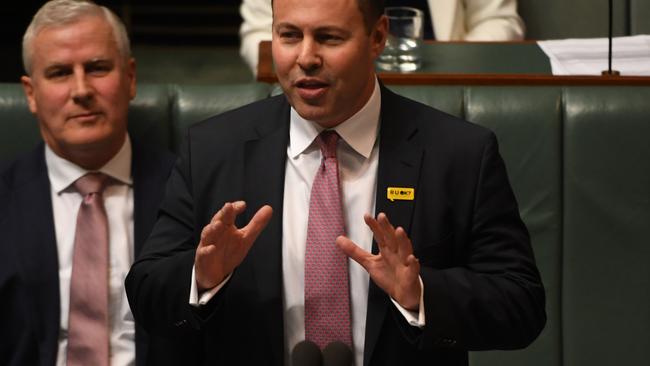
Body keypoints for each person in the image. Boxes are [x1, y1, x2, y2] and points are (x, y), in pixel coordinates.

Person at [126, 0, 545, 365]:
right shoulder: (213, 148)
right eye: (289, 35)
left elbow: (522, 306)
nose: (305, 57)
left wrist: (420, 293)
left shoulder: (458, 153)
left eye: (328, 38)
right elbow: (146, 292)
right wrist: (202, 278)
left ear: (378, 37)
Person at [0, 1, 200, 365]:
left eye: (97, 68)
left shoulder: (193, 190)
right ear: (30, 93)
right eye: (60, 73)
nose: (81, 90)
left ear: (130, 77)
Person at [239, 0, 525, 74]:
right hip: (325, 91)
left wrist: (447, 69)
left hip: (441, 85)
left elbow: (500, 21)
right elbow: (258, 33)